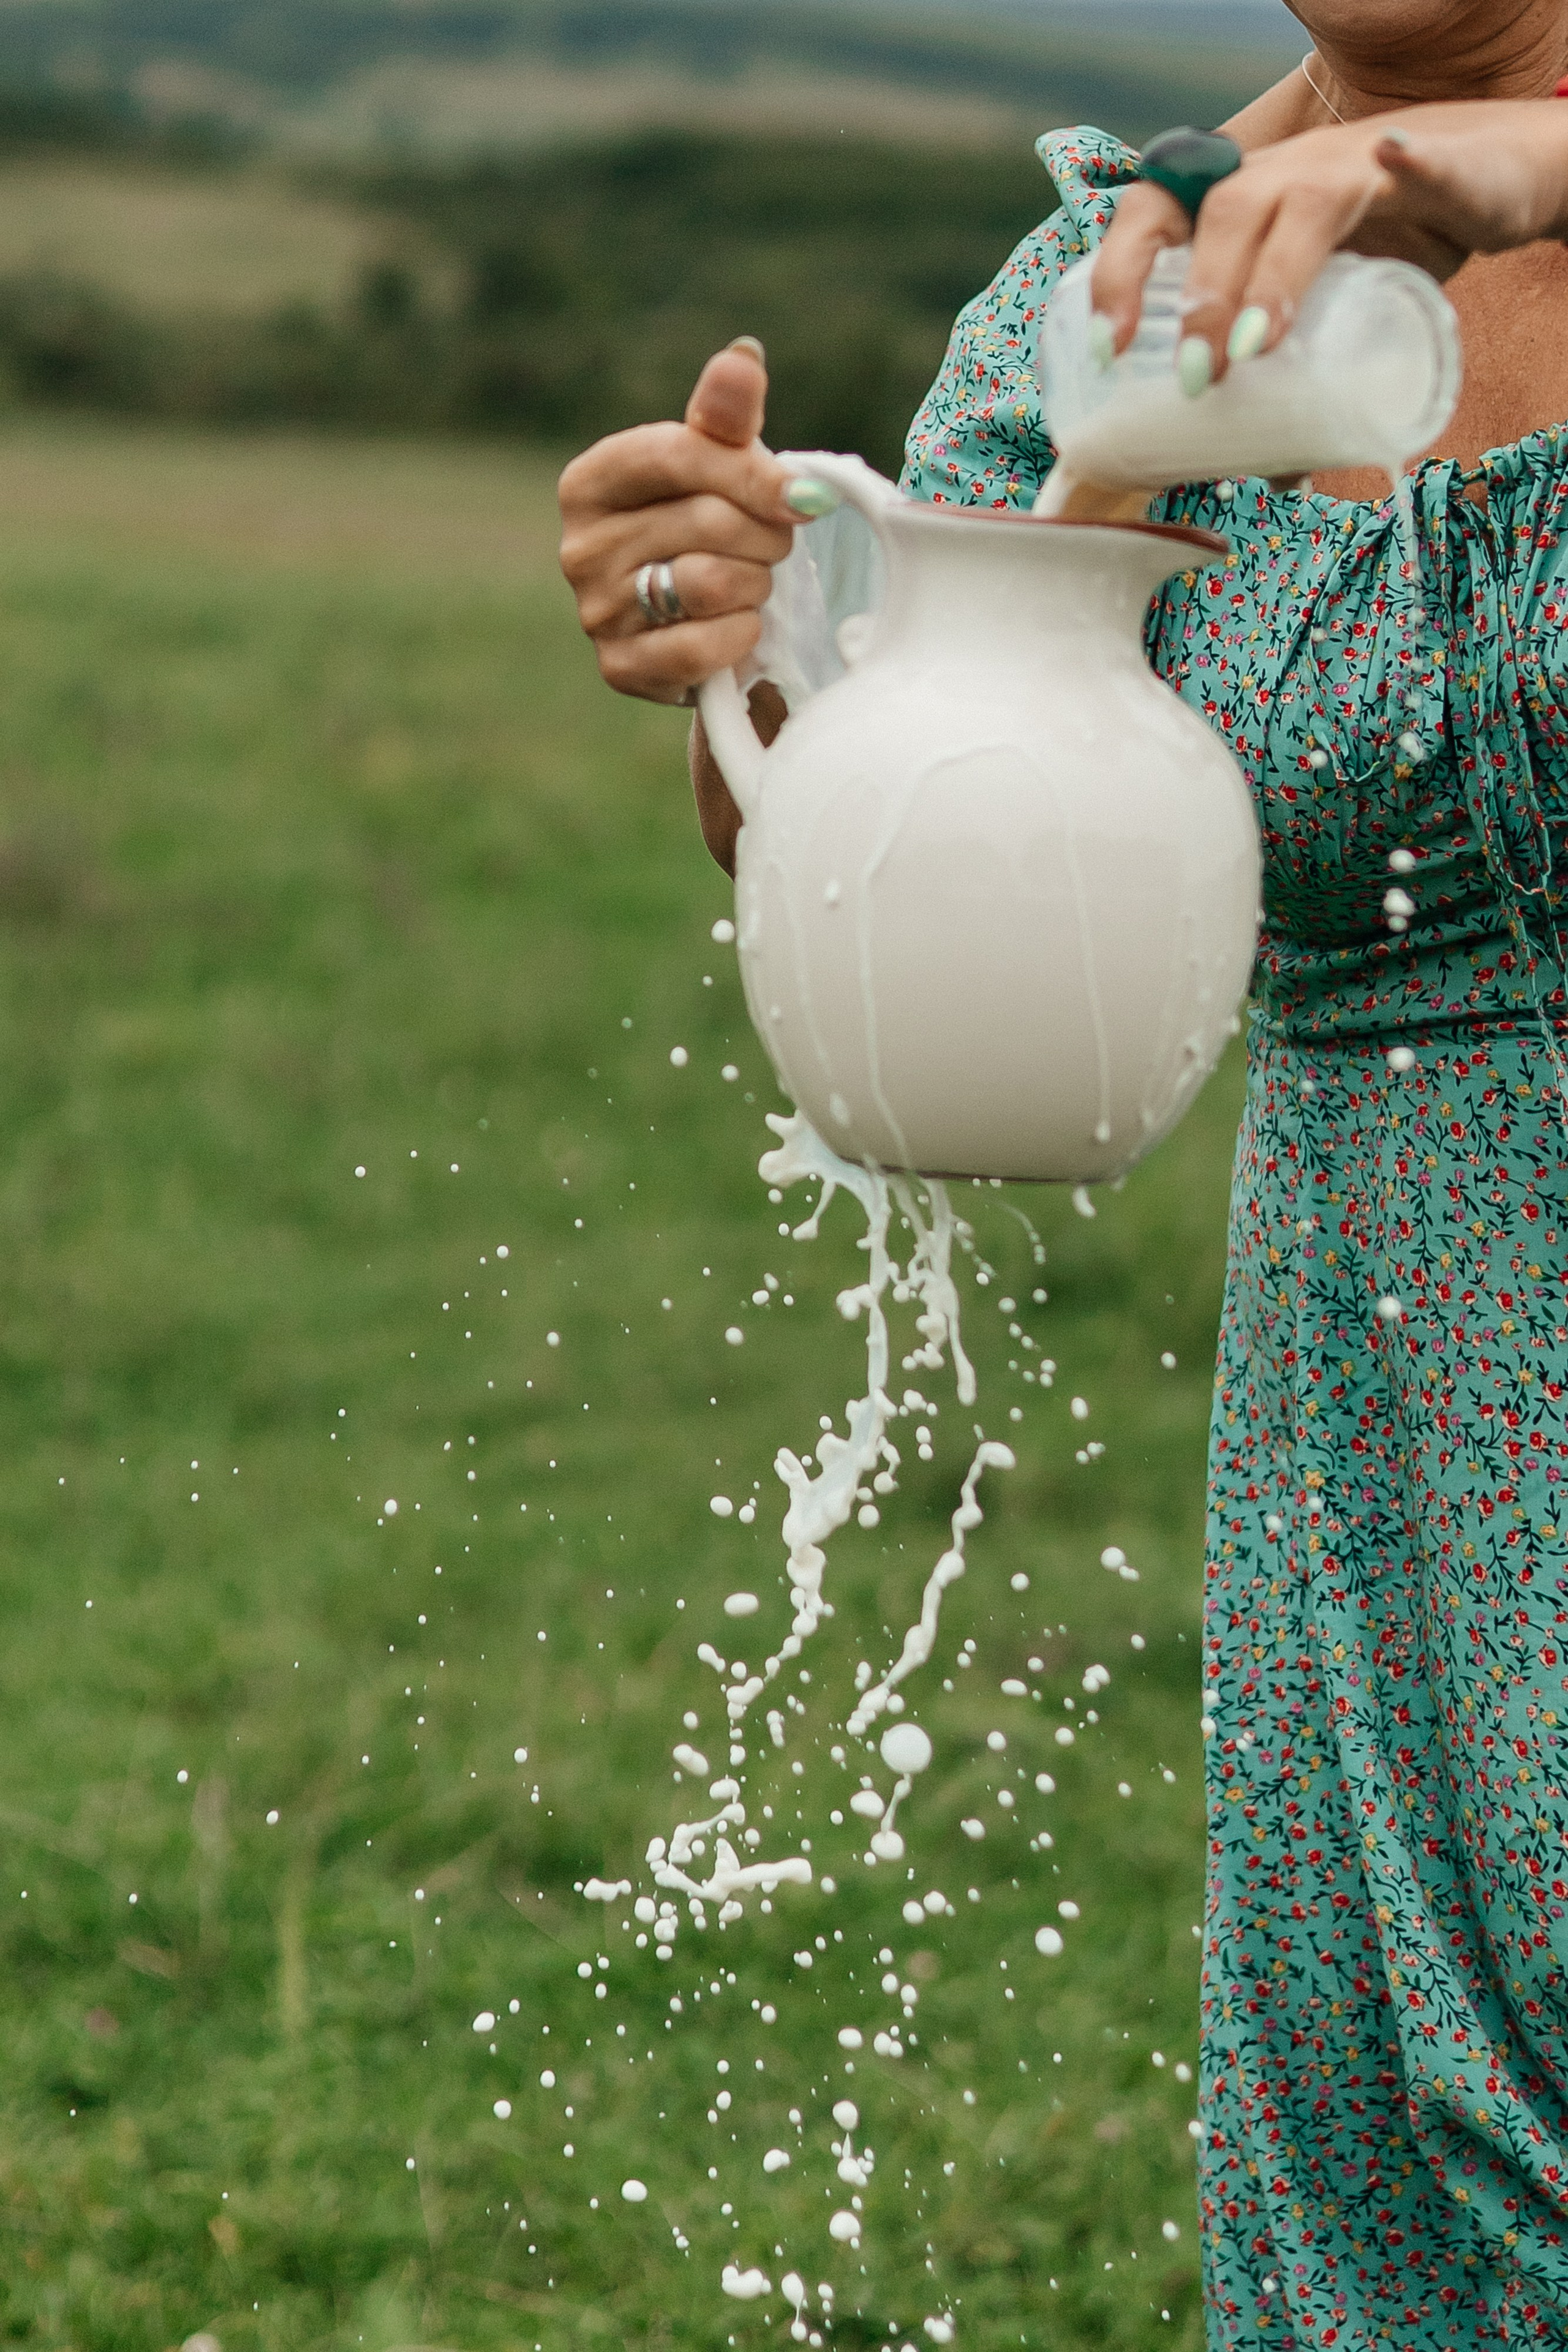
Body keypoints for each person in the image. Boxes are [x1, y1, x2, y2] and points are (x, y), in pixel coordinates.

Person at [560, 10, 1568, 2345]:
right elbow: (931, 818)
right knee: (1400, 2225)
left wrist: (1519, 173)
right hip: (1392, 1433)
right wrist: (750, 651)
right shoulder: (1118, 277)